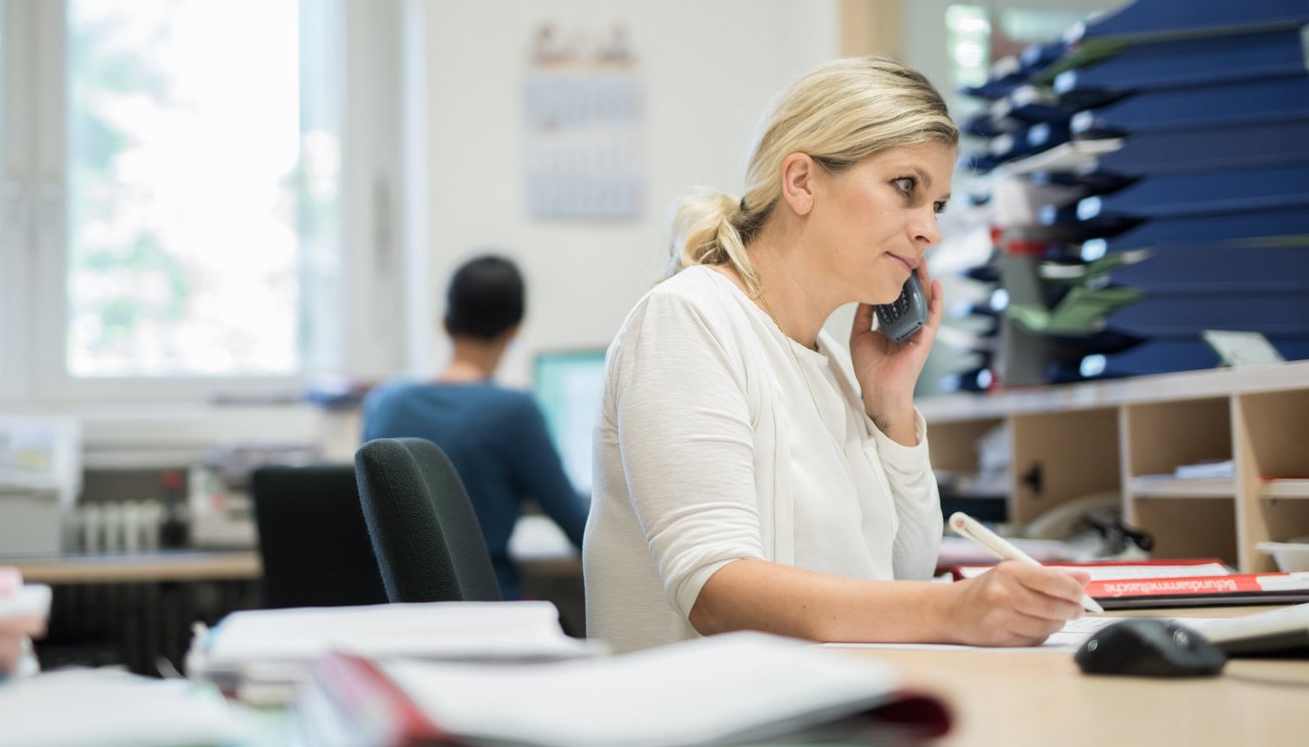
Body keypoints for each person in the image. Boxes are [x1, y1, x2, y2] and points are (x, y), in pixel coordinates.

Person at [583, 56, 1092, 652]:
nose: (930, 230)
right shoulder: (688, 320)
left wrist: (890, 407)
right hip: (704, 731)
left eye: (938, 206)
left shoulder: (825, 360)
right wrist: (954, 608)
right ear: (801, 182)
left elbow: (899, 577)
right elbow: (716, 594)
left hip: (818, 708)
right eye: (907, 188)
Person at [361, 254, 589, 599]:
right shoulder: (514, 411)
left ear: (444, 322)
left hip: (397, 622)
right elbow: (580, 529)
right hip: (489, 615)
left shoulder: (384, 402)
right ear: (513, 331)